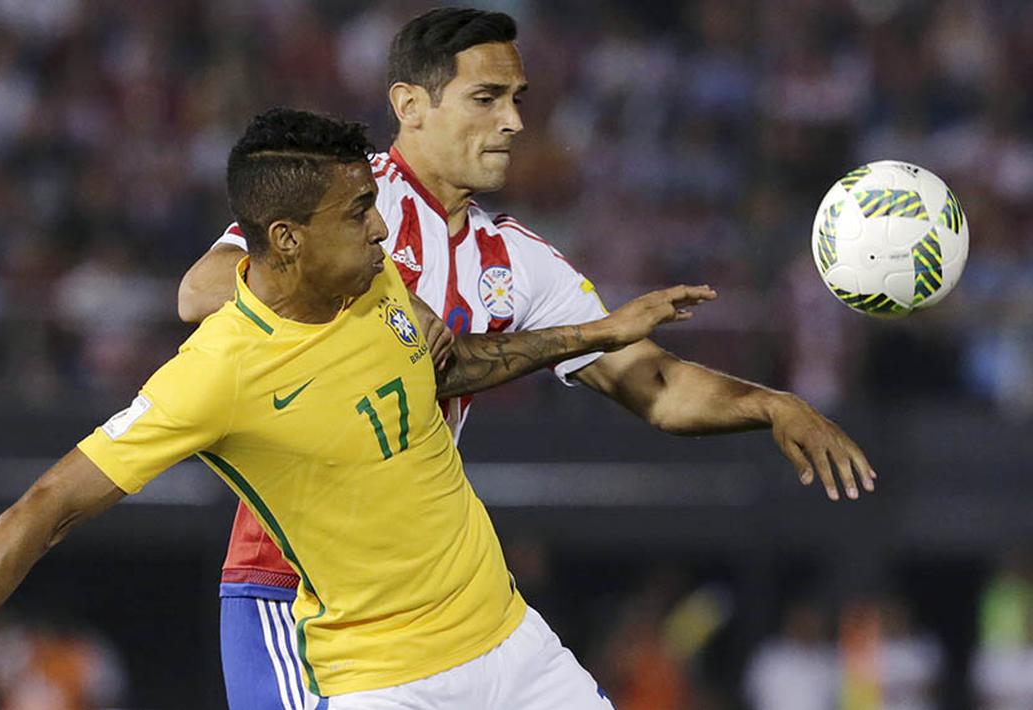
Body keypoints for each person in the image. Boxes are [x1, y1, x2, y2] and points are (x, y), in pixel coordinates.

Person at [0, 108, 717, 709]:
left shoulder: (372, 279)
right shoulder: (218, 373)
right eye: (358, 216)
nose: (383, 234)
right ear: (284, 241)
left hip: (514, 645)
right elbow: (40, 509)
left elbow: (450, 365)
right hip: (383, 682)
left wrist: (597, 331)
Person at [176, 8, 879, 709]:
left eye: (516, 100)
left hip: (442, 600)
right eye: (486, 99)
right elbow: (201, 289)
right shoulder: (339, 200)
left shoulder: (515, 260)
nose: (512, 122)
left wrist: (769, 403)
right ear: (409, 105)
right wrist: (379, 300)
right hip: (299, 590)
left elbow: (654, 383)